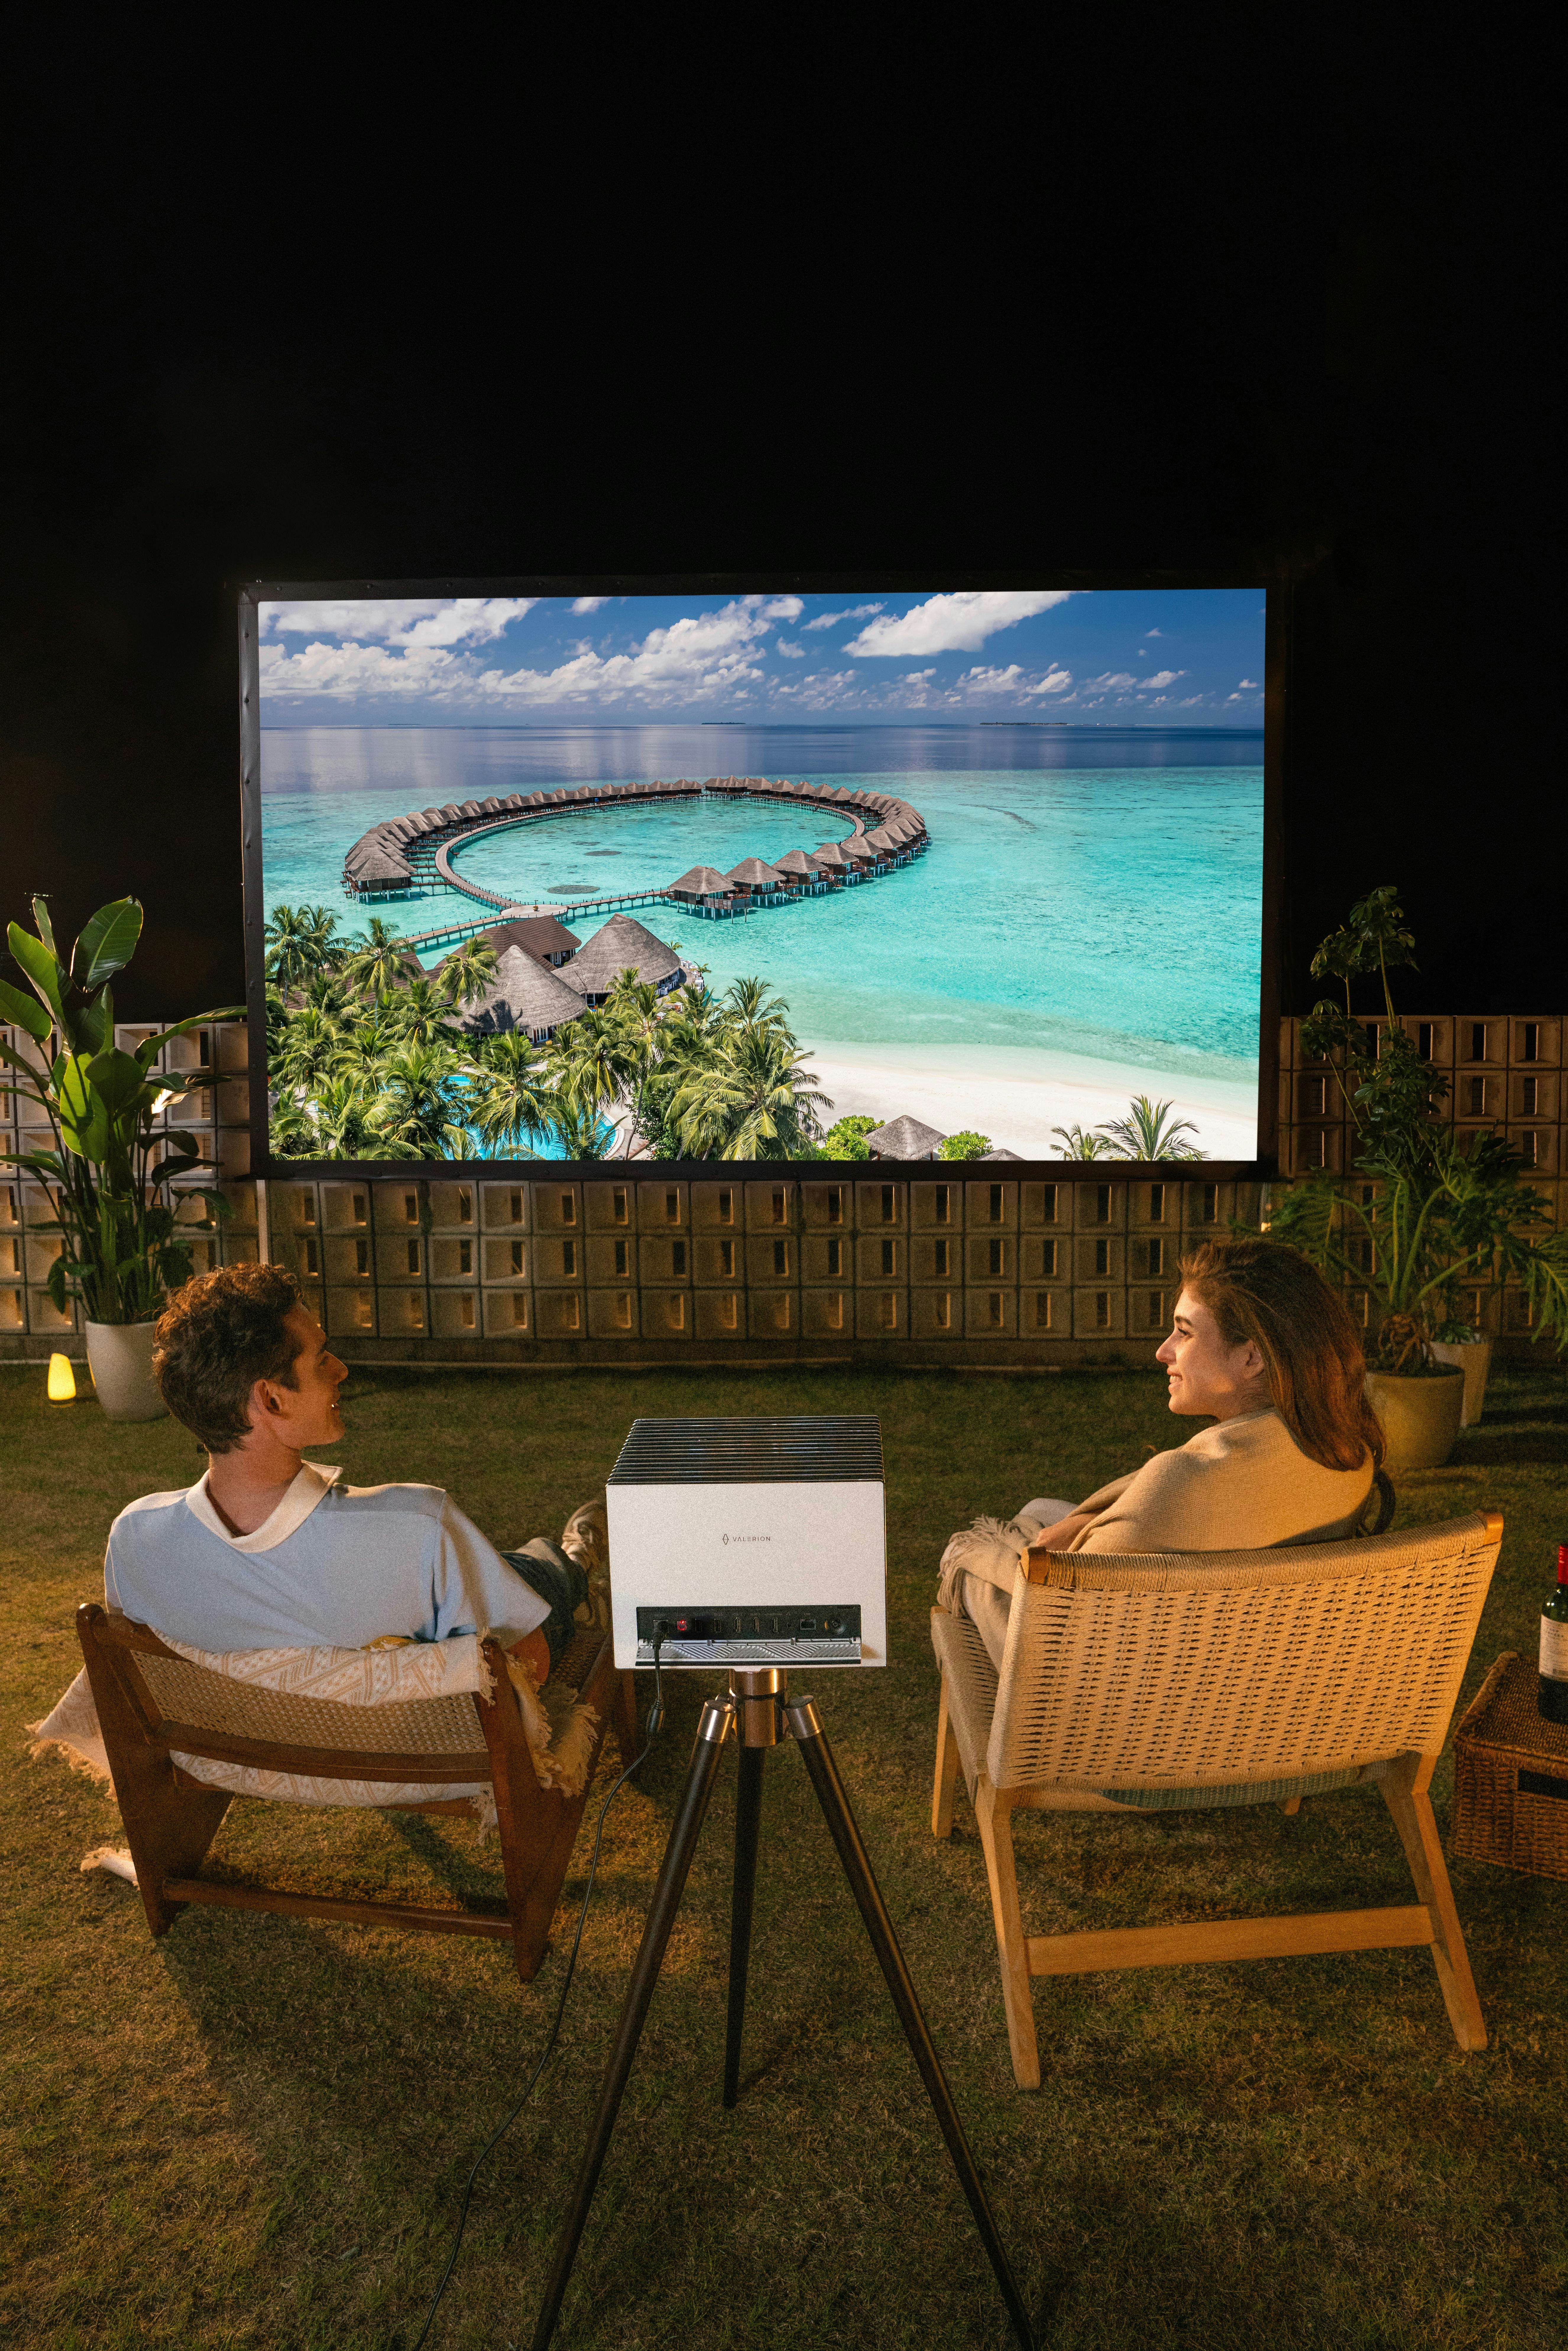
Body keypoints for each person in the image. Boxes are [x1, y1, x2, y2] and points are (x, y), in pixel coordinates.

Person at [104, 1263, 584, 1689]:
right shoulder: (417, 1526)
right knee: (544, 1572)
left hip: (237, 1744)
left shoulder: (136, 1537)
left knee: (480, 1571)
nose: (342, 1370)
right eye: (321, 1359)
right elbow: (527, 1666)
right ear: (272, 1399)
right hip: (404, 1744)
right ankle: (575, 1560)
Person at [942, 1237, 1384, 1669]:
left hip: (1116, 1689)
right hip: (1256, 1669)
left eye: (1184, 1332)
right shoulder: (1346, 1455)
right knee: (1040, 1510)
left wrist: (991, 1557)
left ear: (1252, 1358)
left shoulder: (1183, 1482)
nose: (1162, 1352)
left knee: (971, 1560)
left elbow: (1059, 1595)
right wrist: (1089, 1523)